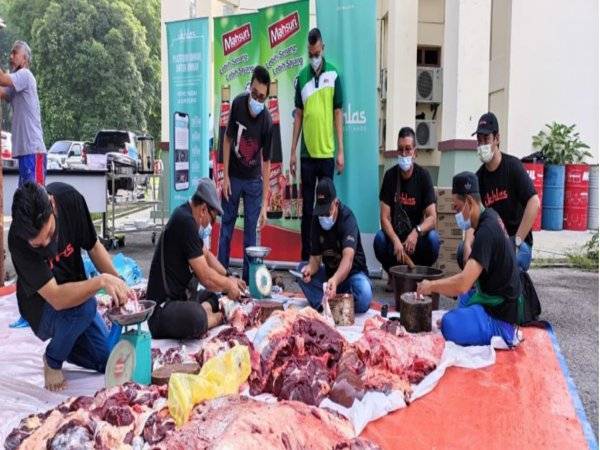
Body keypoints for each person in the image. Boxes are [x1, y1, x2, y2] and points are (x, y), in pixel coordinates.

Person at [9, 182, 133, 391]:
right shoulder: (18, 241)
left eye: (50, 234)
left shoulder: (70, 200)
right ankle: (52, 360)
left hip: (73, 295)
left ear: (53, 204)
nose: (48, 245)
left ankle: (67, 338)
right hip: (42, 309)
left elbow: (93, 246)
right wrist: (101, 281)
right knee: (86, 307)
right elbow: (56, 298)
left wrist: (118, 282)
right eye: (39, 245)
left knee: (106, 360)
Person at [416, 172, 525, 347]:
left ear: (470, 202)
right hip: (492, 294)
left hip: (501, 315)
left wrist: (431, 286)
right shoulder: (490, 216)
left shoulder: (486, 231)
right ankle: (468, 320)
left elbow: (462, 283)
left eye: (457, 208)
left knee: (450, 325)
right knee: (463, 300)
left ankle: (504, 333)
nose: (456, 213)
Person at [147, 178, 247, 340]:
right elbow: (206, 277)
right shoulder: (185, 221)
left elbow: (206, 255)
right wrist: (228, 285)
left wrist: (229, 276)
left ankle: (204, 314)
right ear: (203, 210)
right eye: (213, 219)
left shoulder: (186, 216)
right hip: (162, 309)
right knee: (197, 317)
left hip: (181, 298)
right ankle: (211, 319)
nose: (211, 224)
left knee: (213, 296)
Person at [458, 112, 540, 272]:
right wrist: (468, 244)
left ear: (497, 139)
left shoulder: (513, 167)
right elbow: (472, 216)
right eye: (479, 140)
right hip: (492, 242)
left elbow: (534, 202)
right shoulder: (478, 178)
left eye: (486, 139)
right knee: (462, 250)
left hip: (516, 243)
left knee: (504, 265)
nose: (482, 145)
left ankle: (513, 290)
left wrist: (516, 240)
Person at [290, 28, 344, 261]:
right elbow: (298, 116)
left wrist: (341, 150)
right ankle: (306, 257)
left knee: (327, 210)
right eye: (310, 53)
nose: (314, 57)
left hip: (327, 153)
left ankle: (328, 256)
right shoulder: (301, 77)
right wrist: (292, 151)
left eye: (317, 52)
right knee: (308, 210)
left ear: (323, 47)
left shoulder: (334, 74)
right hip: (306, 155)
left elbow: (338, 112)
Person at [218, 65, 273, 282]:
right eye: (255, 94)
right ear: (249, 87)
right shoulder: (238, 104)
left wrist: (265, 204)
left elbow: (267, 162)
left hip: (253, 182)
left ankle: (248, 283)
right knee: (226, 229)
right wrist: (225, 177)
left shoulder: (267, 121)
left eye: (262, 98)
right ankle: (222, 277)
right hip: (234, 176)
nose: (257, 101)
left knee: (251, 236)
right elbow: (227, 139)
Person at [373, 127, 440, 289]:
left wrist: (416, 232)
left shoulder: (423, 176)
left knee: (433, 239)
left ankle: (420, 276)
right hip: (395, 244)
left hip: (415, 242)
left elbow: (432, 217)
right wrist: (395, 240)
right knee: (380, 240)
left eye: (408, 149)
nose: (404, 154)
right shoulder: (390, 176)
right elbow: (384, 217)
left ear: (415, 152)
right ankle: (393, 275)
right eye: (401, 150)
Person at [297, 178, 372, 313]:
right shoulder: (316, 219)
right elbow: (315, 259)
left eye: (327, 210)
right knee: (300, 270)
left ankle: (329, 301)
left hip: (351, 275)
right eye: (321, 211)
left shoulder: (347, 218)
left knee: (364, 294)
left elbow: (348, 259)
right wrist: (309, 270)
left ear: (336, 202)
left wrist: (336, 280)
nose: (324, 216)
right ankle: (330, 304)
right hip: (329, 277)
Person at [0, 41, 47, 186]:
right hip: (25, 151)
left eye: (15, 53)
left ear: (24, 59)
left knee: (36, 201)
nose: (11, 56)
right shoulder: (16, 82)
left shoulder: (25, 75)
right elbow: (2, 92)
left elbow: (2, 79)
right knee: (25, 201)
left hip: (33, 150)